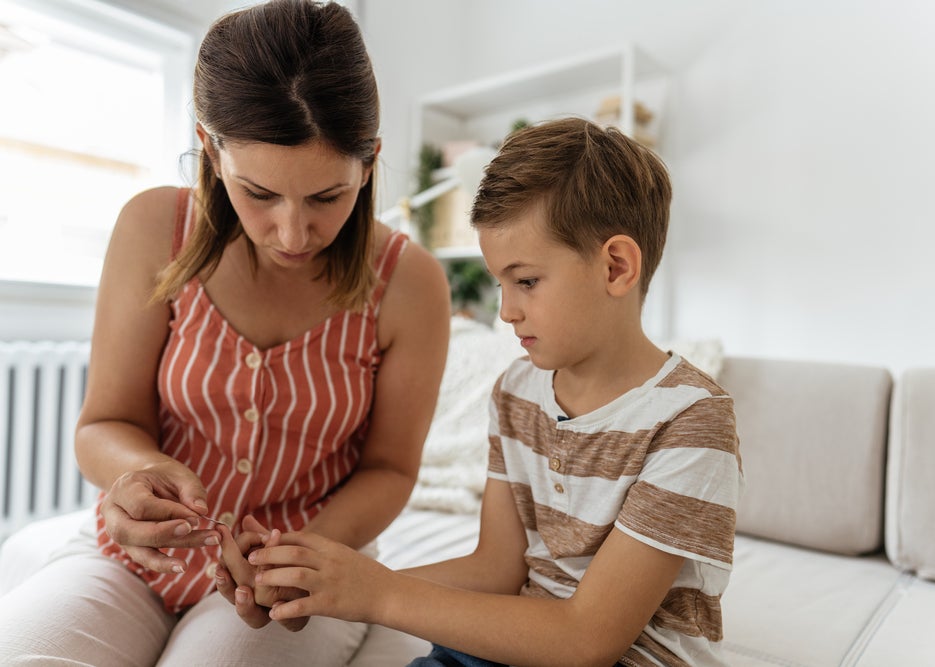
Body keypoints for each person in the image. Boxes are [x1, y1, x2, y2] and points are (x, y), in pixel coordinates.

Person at [0, 1, 450, 665]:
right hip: (131, 558)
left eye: (329, 196)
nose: (293, 234)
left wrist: (296, 556)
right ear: (210, 149)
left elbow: (390, 468)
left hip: (304, 569)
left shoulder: (411, 284)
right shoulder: (155, 229)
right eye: (259, 193)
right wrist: (141, 473)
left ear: (370, 161)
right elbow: (104, 423)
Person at [245, 117, 745, 666]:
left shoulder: (692, 420)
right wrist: (335, 585)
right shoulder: (517, 391)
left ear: (616, 267)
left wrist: (378, 594)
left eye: (526, 280)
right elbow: (498, 568)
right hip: (505, 647)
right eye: (499, 283)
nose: (506, 311)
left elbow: (588, 639)